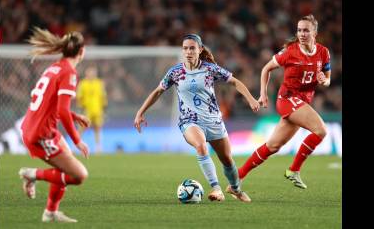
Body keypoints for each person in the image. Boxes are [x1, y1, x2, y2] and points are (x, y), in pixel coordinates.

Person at [134, 34, 260, 202]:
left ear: (200, 50)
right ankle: (216, 189)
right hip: (189, 120)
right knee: (201, 146)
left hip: (213, 120)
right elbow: (158, 91)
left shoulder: (210, 69)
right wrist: (140, 112)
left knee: (227, 160)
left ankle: (235, 189)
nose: (188, 51)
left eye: (192, 48)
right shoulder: (175, 72)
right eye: (185, 48)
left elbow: (235, 82)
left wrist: (251, 99)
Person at [238, 14, 331, 189]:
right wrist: (263, 94)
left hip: (302, 102)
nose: (302, 34)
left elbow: (327, 79)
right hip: (287, 99)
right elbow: (266, 69)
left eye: (306, 30)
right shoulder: (290, 52)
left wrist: (323, 80)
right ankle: (294, 170)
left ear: (315, 33)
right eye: (299, 30)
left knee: (272, 146)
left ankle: (238, 176)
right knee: (321, 131)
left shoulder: (323, 52)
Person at [18, 27, 90, 223]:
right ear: (81, 52)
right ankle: (31, 174)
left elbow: (55, 106)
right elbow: (61, 112)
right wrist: (77, 140)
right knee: (79, 175)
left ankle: (50, 213)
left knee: (66, 167)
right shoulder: (69, 72)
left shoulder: (54, 67)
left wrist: (72, 115)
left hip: (34, 127)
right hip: (41, 134)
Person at [77, 66, 108, 152]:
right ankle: (77, 144)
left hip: (98, 110)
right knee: (81, 128)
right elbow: (79, 97)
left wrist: (104, 108)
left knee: (97, 128)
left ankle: (98, 147)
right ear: (86, 73)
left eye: (93, 72)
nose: (92, 74)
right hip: (87, 110)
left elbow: (103, 96)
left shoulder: (99, 83)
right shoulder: (83, 84)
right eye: (90, 72)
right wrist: (81, 107)